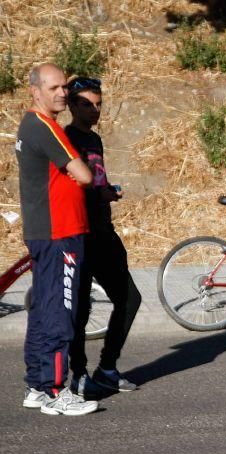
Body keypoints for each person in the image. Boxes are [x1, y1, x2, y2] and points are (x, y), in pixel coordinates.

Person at [16, 63, 98, 416]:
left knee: (43, 310)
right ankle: (53, 390)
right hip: (59, 234)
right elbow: (83, 174)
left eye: (64, 86)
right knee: (59, 312)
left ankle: (37, 385)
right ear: (35, 91)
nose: (62, 92)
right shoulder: (44, 126)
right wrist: (83, 171)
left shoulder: (31, 124)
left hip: (50, 233)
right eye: (53, 88)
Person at [64, 76, 142, 395]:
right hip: (79, 235)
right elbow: (68, 189)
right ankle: (79, 375)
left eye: (99, 104)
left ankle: (107, 368)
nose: (95, 110)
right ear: (71, 105)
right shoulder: (66, 139)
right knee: (79, 310)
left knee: (129, 298)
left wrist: (106, 192)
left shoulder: (94, 140)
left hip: (103, 232)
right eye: (87, 104)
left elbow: (95, 180)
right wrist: (100, 196)